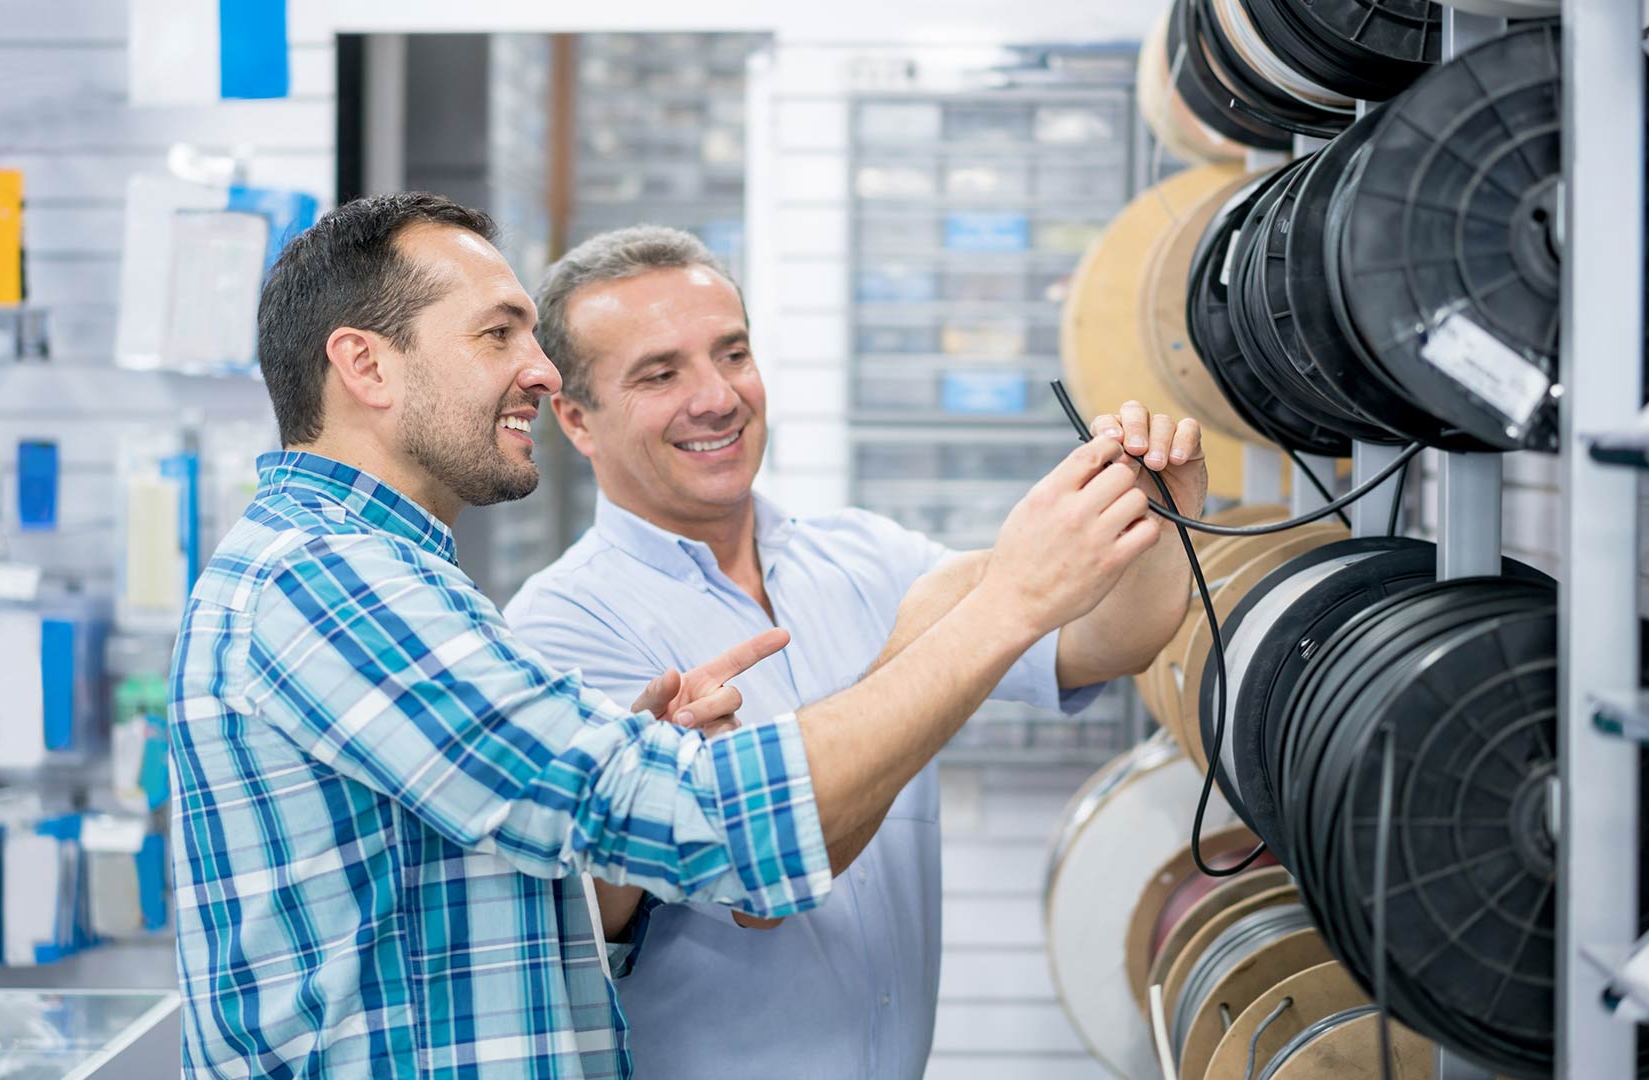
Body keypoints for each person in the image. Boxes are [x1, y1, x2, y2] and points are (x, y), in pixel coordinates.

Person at [166, 193, 1161, 1080]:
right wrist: (1005, 605)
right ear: (366, 365)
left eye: (732, 352)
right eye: (498, 334)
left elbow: (511, 913)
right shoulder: (329, 584)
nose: (537, 370)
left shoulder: (396, 580)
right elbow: (711, 827)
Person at [503, 225, 1208, 1079]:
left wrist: (1159, 517)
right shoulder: (562, 630)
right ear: (576, 419)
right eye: (661, 374)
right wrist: (952, 633)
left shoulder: (864, 556)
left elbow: (1104, 642)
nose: (718, 396)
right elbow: (770, 860)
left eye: (733, 354)